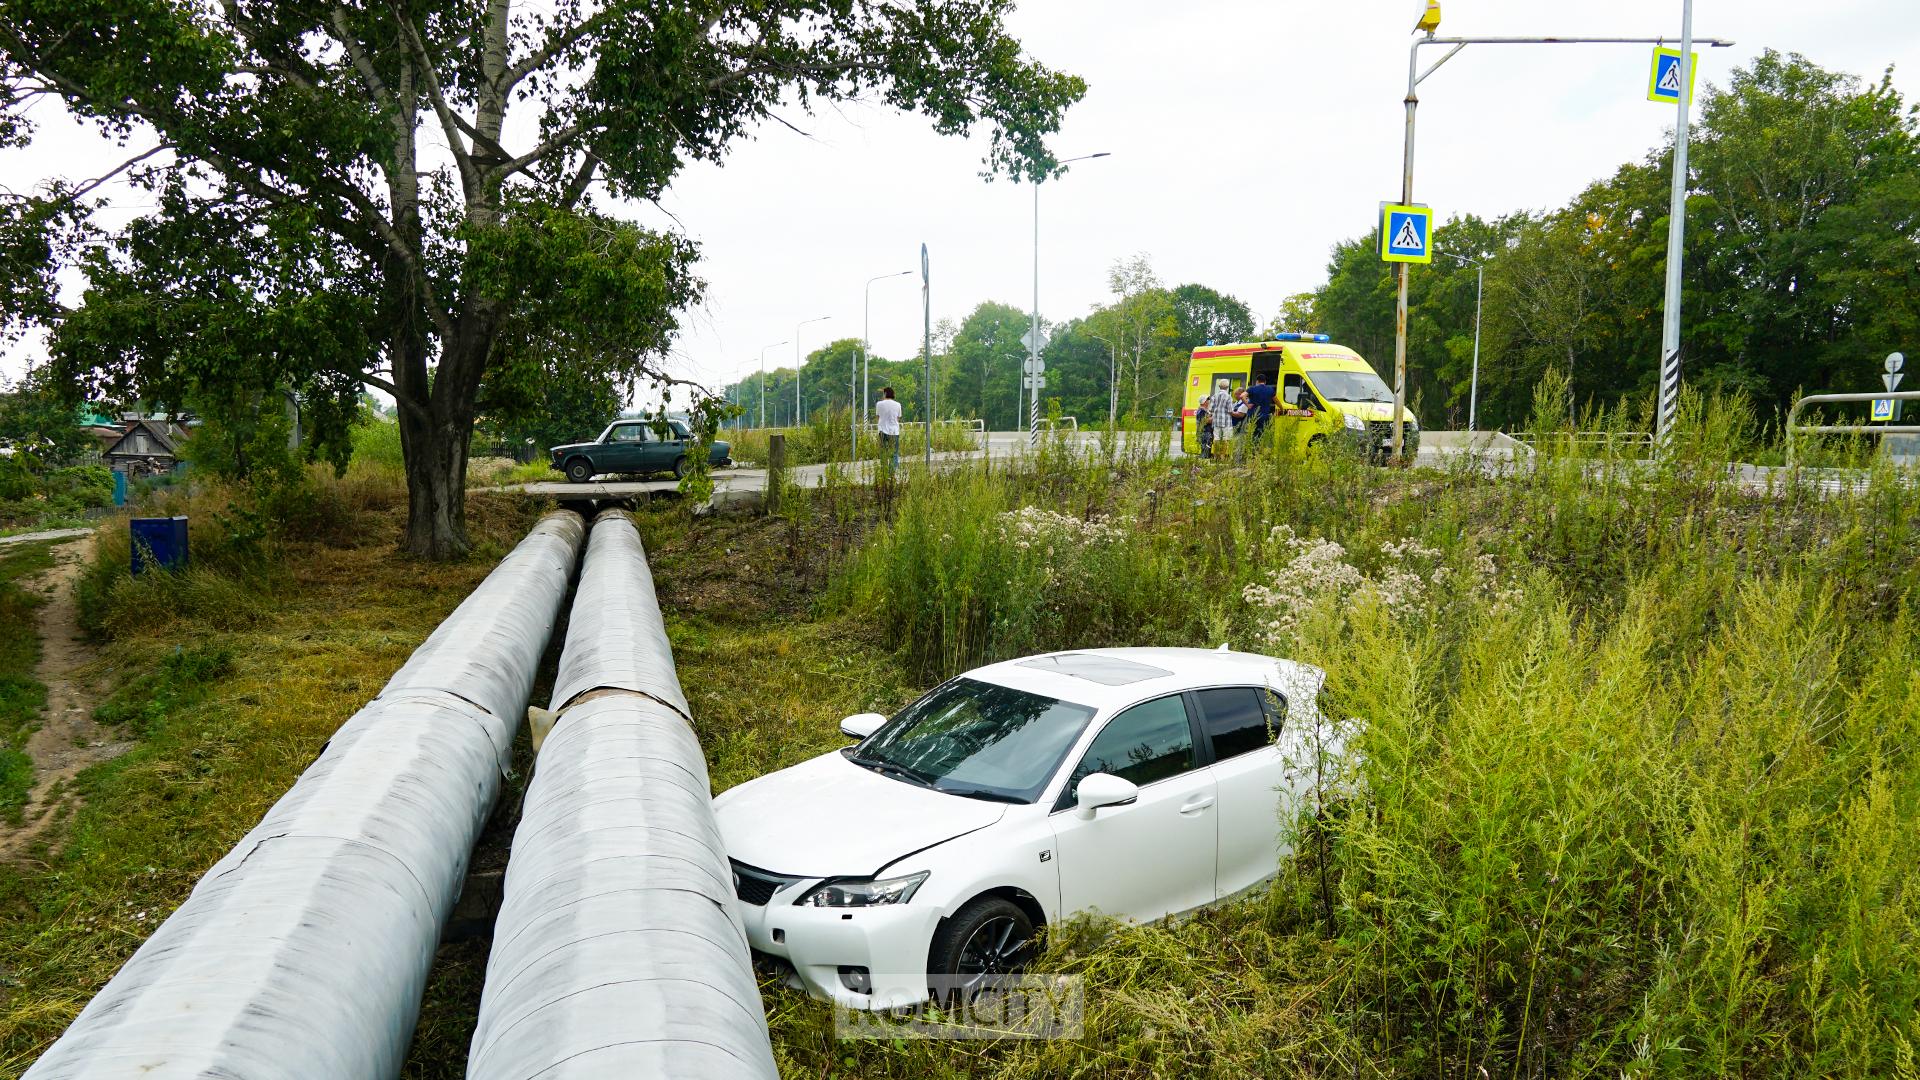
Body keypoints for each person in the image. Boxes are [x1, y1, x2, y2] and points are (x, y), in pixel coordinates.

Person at [1245, 372, 1278, 442]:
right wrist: (1281, 408)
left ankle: (1251, 451)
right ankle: (1259, 450)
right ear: (1265, 381)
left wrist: (1247, 405)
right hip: (1264, 416)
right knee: (1262, 434)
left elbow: (1242, 396)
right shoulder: (1270, 389)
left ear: (1257, 381)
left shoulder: (1252, 389)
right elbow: (1276, 401)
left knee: (1251, 433)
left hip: (1253, 415)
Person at [874, 386, 902, 470]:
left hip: (882, 431)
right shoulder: (898, 405)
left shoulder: (879, 404)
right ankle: (892, 472)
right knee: (894, 453)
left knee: (883, 452)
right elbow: (898, 418)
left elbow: (878, 417)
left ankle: (884, 470)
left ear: (885, 393)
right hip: (894, 431)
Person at [1206, 379, 1234, 458]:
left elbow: (1210, 409)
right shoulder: (1229, 397)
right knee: (1225, 439)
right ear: (1228, 387)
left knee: (1216, 439)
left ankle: (1215, 456)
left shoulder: (1214, 396)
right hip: (1226, 422)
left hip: (1216, 421)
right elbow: (1230, 410)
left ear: (1219, 386)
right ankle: (1222, 457)